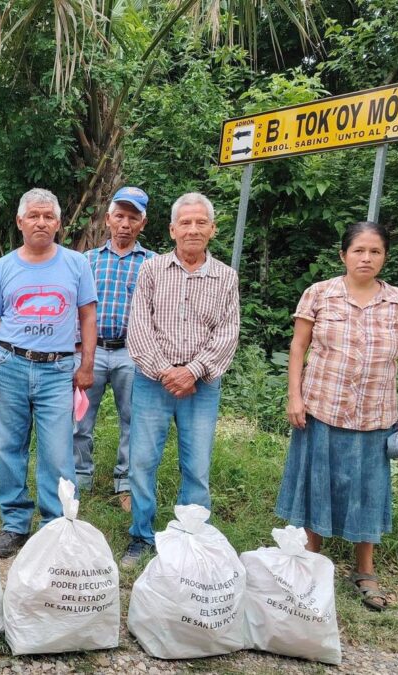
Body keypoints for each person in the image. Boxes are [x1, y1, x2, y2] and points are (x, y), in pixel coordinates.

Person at [276, 220, 398, 611]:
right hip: (322, 407)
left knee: (368, 492)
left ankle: (365, 570)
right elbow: (298, 347)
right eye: (359, 250)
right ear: (343, 255)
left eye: (375, 251)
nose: (366, 258)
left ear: (384, 257)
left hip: (376, 414)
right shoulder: (320, 294)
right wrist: (294, 396)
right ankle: (308, 562)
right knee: (315, 484)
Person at [0, 188, 98, 558]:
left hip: (58, 370)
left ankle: (55, 526)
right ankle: (14, 524)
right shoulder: (3, 268)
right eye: (34, 216)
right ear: (20, 222)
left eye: (48, 216)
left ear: (58, 223)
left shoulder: (77, 265)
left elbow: (88, 316)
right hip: (10, 365)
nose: (41, 222)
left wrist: (87, 365)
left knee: (58, 452)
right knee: (8, 447)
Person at [122, 192, 240, 566]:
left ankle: (191, 537)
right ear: (172, 230)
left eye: (200, 222)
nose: (192, 229)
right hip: (152, 382)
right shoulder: (152, 270)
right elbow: (139, 327)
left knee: (197, 465)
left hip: (201, 386)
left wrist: (192, 371)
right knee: (141, 461)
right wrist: (164, 371)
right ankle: (141, 535)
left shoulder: (225, 277)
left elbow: (227, 333)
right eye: (185, 223)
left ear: (212, 229)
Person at [75, 186, 155, 510]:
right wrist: (80, 351)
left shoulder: (154, 264)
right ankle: (80, 479)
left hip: (132, 353)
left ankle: (125, 484)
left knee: (133, 420)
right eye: (119, 216)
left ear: (142, 223)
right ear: (107, 219)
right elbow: (73, 308)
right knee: (80, 418)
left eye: (132, 217)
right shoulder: (86, 261)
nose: (125, 223)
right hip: (90, 353)